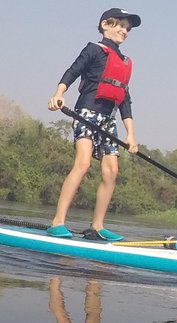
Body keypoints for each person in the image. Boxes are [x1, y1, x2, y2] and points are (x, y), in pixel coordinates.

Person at [46, 8, 142, 241]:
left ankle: (97, 226)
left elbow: (125, 101)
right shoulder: (93, 50)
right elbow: (73, 71)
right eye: (120, 25)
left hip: (108, 120)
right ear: (105, 25)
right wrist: (59, 92)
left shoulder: (126, 62)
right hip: (86, 112)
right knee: (83, 163)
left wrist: (130, 134)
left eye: (127, 28)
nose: (124, 31)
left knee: (112, 171)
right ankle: (57, 222)